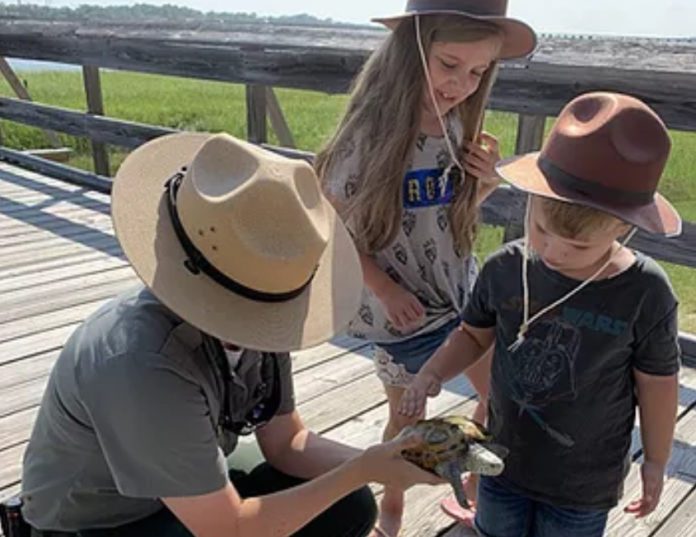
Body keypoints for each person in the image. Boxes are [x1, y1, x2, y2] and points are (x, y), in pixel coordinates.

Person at [20, 132, 443, 537]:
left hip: (180, 487)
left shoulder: (261, 303)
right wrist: (363, 470)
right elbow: (230, 530)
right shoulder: (139, 361)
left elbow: (287, 442)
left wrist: (387, 460)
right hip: (97, 519)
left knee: (350, 507)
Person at [400, 91, 682, 537]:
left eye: (579, 247)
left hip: (584, 480)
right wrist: (433, 371)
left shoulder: (646, 292)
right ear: (529, 199)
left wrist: (657, 459)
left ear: (624, 229)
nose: (551, 253)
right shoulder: (505, 268)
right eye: (541, 231)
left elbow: (658, 384)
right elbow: (473, 336)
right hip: (502, 461)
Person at [314, 1, 536, 534]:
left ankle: (477, 492)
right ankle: (390, 510)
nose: (462, 83)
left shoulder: (458, 124)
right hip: (402, 312)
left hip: (458, 294)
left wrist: (483, 183)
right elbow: (331, 225)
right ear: (412, 49)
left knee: (498, 397)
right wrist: (383, 287)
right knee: (408, 420)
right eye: (449, 64)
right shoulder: (368, 133)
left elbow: (448, 216)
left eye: (479, 72)